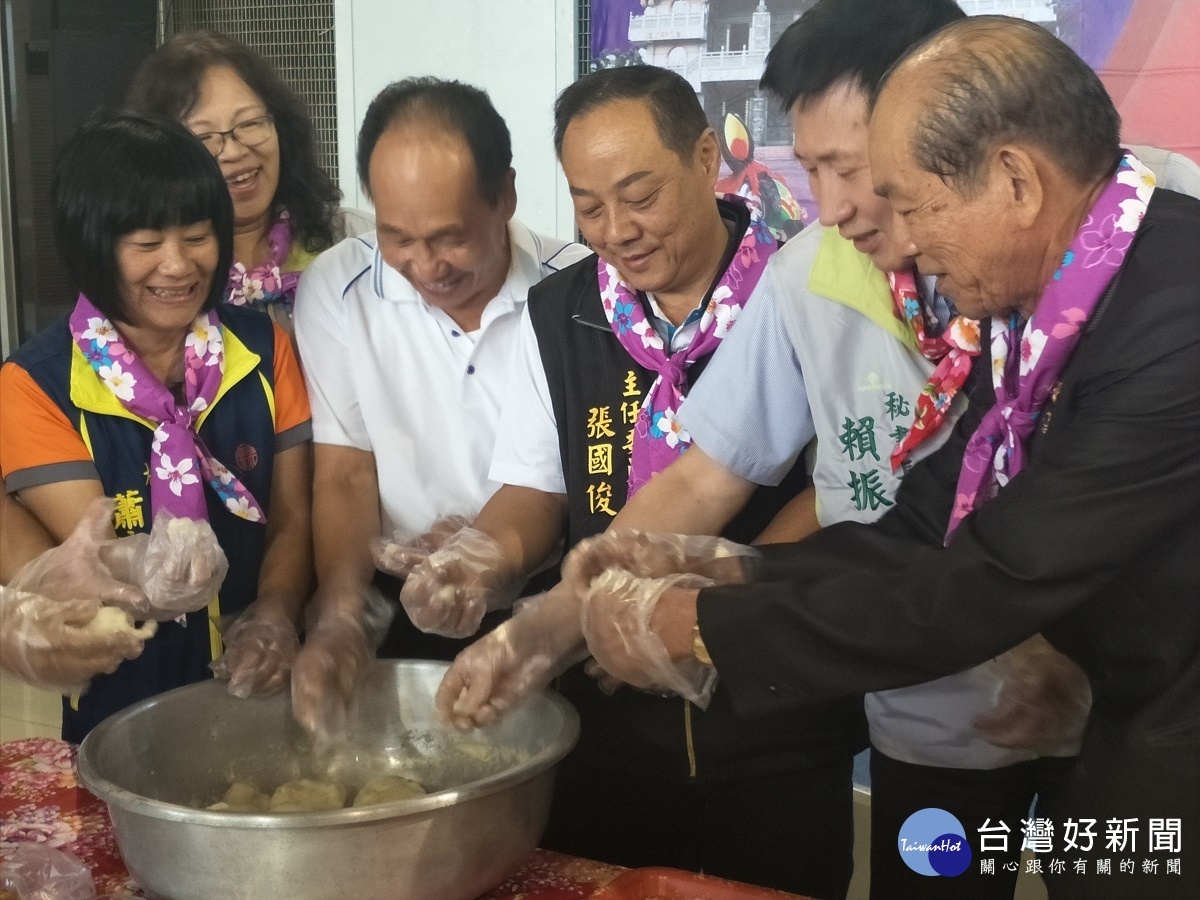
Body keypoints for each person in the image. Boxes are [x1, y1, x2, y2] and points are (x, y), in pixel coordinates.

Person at [572, 17, 1200, 900]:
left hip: (1165, 731)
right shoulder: (1049, 307)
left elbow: (984, 580)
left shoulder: (1174, 311)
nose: (901, 240)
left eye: (911, 201)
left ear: (1015, 179)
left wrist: (698, 627)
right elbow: (924, 519)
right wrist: (733, 574)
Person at [417, 66, 864, 897]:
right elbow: (535, 487)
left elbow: (841, 490)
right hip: (607, 708)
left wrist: (700, 605)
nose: (616, 229)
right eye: (589, 205)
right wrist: (488, 562)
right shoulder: (560, 314)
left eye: (639, 195)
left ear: (704, 157)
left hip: (773, 706)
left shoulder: (806, 287)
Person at [287, 77, 589, 740]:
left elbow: (566, 477)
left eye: (450, 238)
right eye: (399, 238)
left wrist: (483, 555)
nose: (426, 266)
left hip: (537, 600)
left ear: (505, 197)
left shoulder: (577, 293)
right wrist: (341, 612)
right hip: (392, 594)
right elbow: (345, 471)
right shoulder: (338, 288)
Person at [0, 114, 314, 741]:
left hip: (264, 686)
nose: (178, 265)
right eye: (146, 245)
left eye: (197, 236)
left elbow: (294, 519)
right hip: (126, 702)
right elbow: (100, 554)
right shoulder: (35, 384)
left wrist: (277, 611)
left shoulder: (264, 349)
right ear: (91, 246)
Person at [125, 31, 371, 335]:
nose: (235, 151)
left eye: (251, 123)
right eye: (203, 137)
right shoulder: (160, 276)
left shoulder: (356, 242)